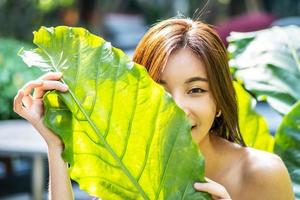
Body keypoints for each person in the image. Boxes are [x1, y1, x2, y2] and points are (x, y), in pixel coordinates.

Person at [13, 17, 294, 200]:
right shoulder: (129, 164)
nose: (177, 108)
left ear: (219, 101)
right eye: (159, 91)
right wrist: (56, 145)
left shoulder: (262, 173)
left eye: (195, 90)